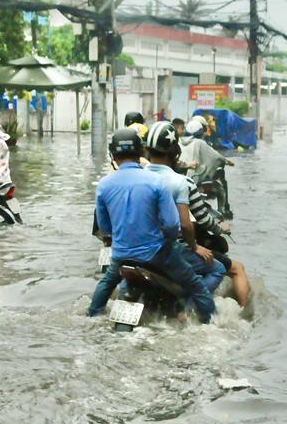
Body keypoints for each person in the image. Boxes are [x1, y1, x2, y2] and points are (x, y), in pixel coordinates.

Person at [87, 128, 218, 324]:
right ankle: (212, 325)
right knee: (196, 286)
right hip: (157, 254)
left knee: (106, 283)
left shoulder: (104, 185)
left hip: (122, 254)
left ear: (113, 155)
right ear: (141, 152)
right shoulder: (157, 182)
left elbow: (105, 228)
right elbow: (173, 225)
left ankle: (91, 317)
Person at [145, 121, 226, 294]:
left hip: (137, 249)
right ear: (174, 153)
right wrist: (219, 230)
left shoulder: (135, 179)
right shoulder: (182, 183)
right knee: (219, 269)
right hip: (171, 250)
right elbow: (192, 222)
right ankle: (191, 305)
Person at [185, 175, 251, 307]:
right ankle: (244, 313)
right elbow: (201, 220)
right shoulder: (182, 184)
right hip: (179, 249)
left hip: (144, 251)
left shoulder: (149, 182)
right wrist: (220, 229)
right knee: (236, 268)